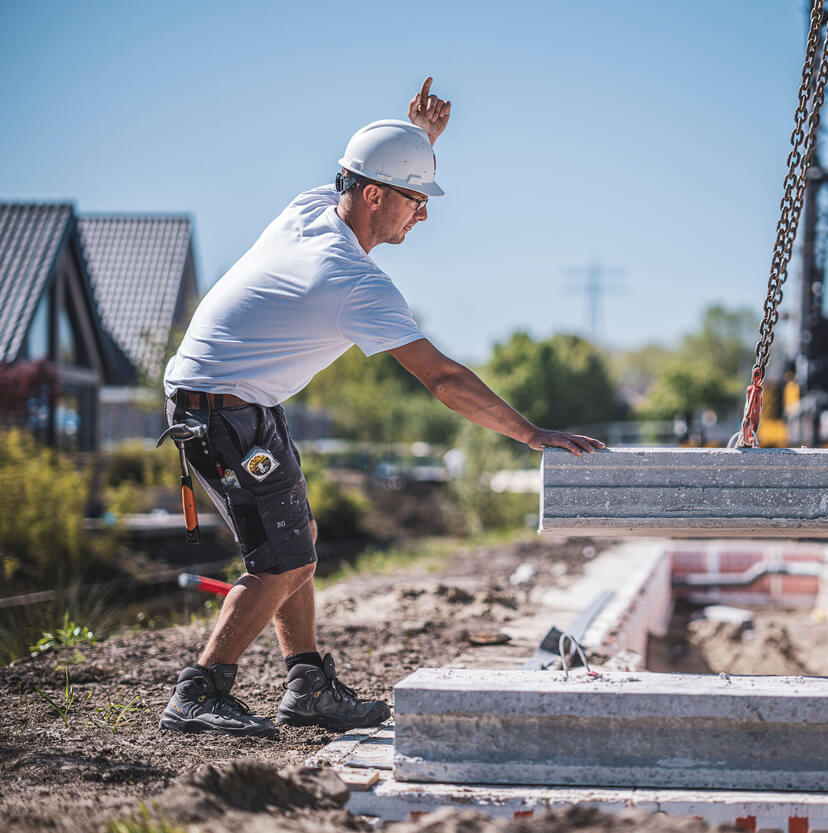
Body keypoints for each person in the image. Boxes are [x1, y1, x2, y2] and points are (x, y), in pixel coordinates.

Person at [159, 78, 604, 738]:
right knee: (279, 562)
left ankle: (307, 684)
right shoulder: (351, 279)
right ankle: (198, 692)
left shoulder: (310, 207)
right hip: (218, 412)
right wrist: (529, 432)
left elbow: (361, 168)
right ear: (374, 196)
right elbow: (444, 378)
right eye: (416, 200)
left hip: (244, 403)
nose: (421, 216)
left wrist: (416, 138)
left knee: (298, 544)